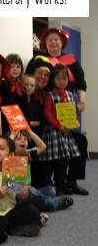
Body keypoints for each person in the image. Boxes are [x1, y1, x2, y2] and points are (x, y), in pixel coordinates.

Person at [27, 28, 88, 195]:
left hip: (65, 113)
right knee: (48, 146)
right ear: (45, 43)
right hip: (45, 111)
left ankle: (71, 181)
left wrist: (81, 102)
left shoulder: (72, 61)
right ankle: (49, 183)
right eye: (50, 40)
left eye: (56, 40)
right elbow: (28, 80)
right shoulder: (38, 59)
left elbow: (81, 84)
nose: (53, 43)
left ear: (62, 42)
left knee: (80, 141)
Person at [0, 136, 46, 237]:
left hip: (11, 209)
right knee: (31, 212)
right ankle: (13, 228)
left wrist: (21, 195)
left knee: (34, 201)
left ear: (11, 154)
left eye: (1, 148)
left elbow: (16, 198)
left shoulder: (13, 170)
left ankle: (21, 225)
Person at [39, 64, 81, 196]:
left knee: (64, 160)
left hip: (65, 134)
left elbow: (72, 112)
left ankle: (61, 185)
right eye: (58, 79)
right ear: (53, 80)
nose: (62, 81)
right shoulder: (50, 95)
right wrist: (58, 125)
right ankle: (49, 185)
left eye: (64, 79)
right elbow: (48, 113)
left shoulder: (70, 95)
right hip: (53, 133)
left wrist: (74, 121)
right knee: (52, 161)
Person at [10, 129, 74, 211]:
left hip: (27, 191)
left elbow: (43, 146)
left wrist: (29, 131)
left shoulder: (28, 153)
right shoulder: (9, 155)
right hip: (15, 196)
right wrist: (12, 135)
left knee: (51, 190)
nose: (23, 141)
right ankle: (54, 204)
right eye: (18, 139)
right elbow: (7, 146)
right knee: (33, 191)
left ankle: (38, 202)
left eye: (25, 139)